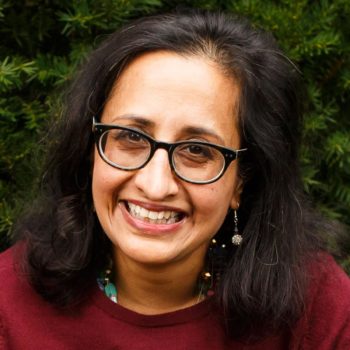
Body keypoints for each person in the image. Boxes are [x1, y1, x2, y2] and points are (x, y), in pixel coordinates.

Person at [0, 9, 349, 350]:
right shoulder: (8, 304)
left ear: (242, 181)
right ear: (89, 148)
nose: (155, 185)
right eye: (130, 138)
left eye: (197, 150)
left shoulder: (317, 309)